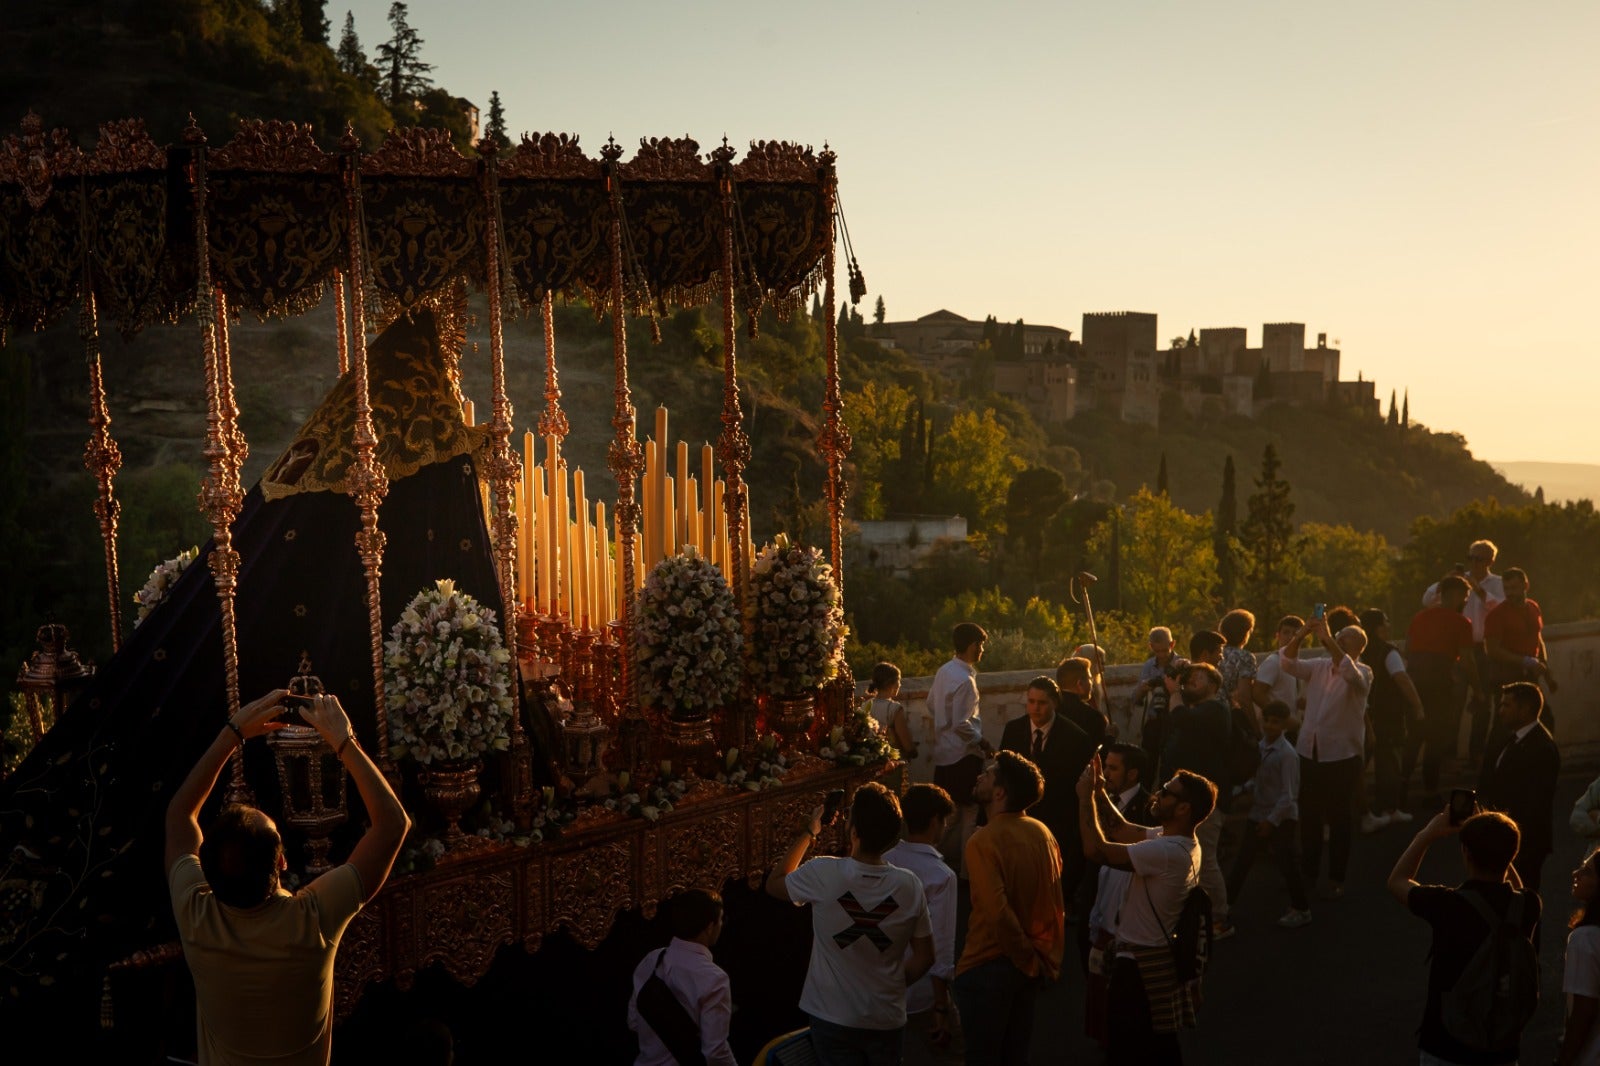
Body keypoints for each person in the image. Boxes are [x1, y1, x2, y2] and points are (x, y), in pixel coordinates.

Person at [165, 690, 410, 1066]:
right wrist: (343, 739)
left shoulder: (195, 912)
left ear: (206, 870)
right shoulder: (311, 920)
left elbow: (180, 813)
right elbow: (394, 824)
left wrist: (232, 732)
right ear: (282, 863)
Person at [766, 782, 934, 1064]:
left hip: (832, 1016)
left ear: (853, 832)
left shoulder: (824, 873)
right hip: (887, 1017)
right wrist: (888, 984)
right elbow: (926, 956)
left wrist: (809, 832)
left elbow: (774, 883)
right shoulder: (910, 885)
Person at [1077, 758, 1216, 1066]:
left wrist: (1084, 797)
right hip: (1152, 962)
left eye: (1167, 792)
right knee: (1158, 1047)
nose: (1158, 794)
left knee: (1129, 1049)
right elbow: (1122, 829)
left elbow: (1096, 850)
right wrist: (1100, 792)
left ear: (1183, 809)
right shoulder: (1179, 842)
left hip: (1138, 971)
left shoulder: (1166, 852)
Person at [1387, 810, 1539, 1066]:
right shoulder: (1528, 906)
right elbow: (1518, 889)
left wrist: (1428, 834)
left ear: (1466, 853)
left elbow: (1397, 880)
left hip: (1447, 1045)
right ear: (1512, 854)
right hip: (1502, 1046)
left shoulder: (1448, 904)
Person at [952, 751, 1064, 1066]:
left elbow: (998, 913)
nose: (979, 776)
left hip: (990, 964)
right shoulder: (1043, 833)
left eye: (987, 774)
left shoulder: (983, 841)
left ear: (1000, 792)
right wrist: (1041, 958)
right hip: (1031, 965)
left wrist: (1025, 958)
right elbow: (1054, 900)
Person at [1278, 618, 1373, 900]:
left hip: (1342, 756)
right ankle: (1309, 873)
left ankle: (1336, 877)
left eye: (1345, 638)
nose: (1338, 639)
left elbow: (1350, 674)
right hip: (1310, 752)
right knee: (1309, 818)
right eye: (1338, 636)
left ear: (1358, 647)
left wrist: (1330, 638)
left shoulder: (1364, 672)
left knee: (1340, 818)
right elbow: (1287, 663)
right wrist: (1303, 634)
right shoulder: (1318, 666)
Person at [1160, 661, 1232, 938]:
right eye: (1189, 678)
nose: (1190, 682)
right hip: (1188, 798)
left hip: (1206, 801)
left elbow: (1180, 718)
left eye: (1197, 678)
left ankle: (1220, 917)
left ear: (1213, 686)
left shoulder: (1215, 709)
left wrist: (1174, 690)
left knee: (1207, 858)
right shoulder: (1197, 710)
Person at [883, 785, 958, 1051]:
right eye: (944, 820)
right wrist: (941, 1004)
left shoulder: (884, 861)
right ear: (936, 820)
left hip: (877, 987)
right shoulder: (942, 875)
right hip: (918, 993)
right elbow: (941, 945)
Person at [1011, 670, 1096, 904]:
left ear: (1055, 703)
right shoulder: (1014, 730)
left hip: (1058, 817)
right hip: (1021, 816)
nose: (1035, 708)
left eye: (1041, 703)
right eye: (1031, 702)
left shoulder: (1076, 738)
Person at [627, 889, 736, 1066]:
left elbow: (633, 1022)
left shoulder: (651, 959)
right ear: (709, 927)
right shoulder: (715, 979)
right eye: (721, 919)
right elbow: (715, 1052)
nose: (722, 925)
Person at [1225, 701, 1310, 928]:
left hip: (1281, 818)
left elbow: (1289, 795)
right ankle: (1224, 905)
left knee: (1287, 864)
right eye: (1267, 721)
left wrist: (1271, 822)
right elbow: (1258, 780)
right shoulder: (1260, 747)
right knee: (1243, 861)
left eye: (1275, 722)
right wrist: (1240, 791)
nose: (1269, 726)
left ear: (1283, 725)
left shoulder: (1287, 755)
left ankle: (1302, 909)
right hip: (1259, 813)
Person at [1423, 539, 1506, 760]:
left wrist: (1478, 590)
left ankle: (1476, 753)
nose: (1474, 563)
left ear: (1490, 561)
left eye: (1479, 559)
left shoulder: (1497, 583)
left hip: (1485, 649)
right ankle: (1449, 754)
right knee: (1455, 702)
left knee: (1483, 703)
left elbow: (1501, 608)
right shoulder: (1456, 584)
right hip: (1458, 649)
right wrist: (1446, 581)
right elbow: (1427, 600)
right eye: (1471, 558)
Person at [1479, 681, 1561, 896]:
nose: (1501, 711)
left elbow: (1534, 804)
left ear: (1525, 709)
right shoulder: (1508, 738)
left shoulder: (1542, 748)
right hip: (1502, 837)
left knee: (1524, 901)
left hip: (1525, 844)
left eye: (1507, 705)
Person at [929, 622, 993, 874]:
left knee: (948, 815)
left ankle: (933, 863)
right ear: (972, 645)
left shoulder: (944, 671)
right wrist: (982, 742)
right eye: (981, 645)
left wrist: (941, 727)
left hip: (943, 753)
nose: (982, 650)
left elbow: (932, 704)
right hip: (963, 755)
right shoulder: (966, 681)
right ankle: (969, 873)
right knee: (969, 814)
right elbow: (961, 723)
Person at [1407, 576, 1479, 798]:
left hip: (1415, 680)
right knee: (1435, 738)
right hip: (1440, 682)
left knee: (1415, 735)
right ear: (1456, 595)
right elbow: (1467, 660)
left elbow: (1409, 648)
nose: (1466, 601)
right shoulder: (1461, 622)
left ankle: (1401, 787)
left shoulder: (1420, 617)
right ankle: (1430, 791)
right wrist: (1478, 688)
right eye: (1465, 597)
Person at [1359, 607, 1427, 833]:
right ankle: (1389, 808)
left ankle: (1362, 811)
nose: (1389, 625)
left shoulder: (1361, 651)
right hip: (1388, 716)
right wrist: (1418, 706)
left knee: (1359, 766)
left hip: (1364, 714)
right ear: (1379, 628)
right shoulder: (1389, 652)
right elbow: (1402, 679)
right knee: (1389, 762)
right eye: (1386, 622)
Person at [1484, 568, 1552, 708]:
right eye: (1506, 588)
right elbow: (1492, 650)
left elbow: (1538, 638)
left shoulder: (1533, 607)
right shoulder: (1497, 615)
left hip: (1529, 675)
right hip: (1506, 676)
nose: (1509, 593)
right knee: (1505, 723)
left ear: (1525, 586)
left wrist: (1545, 670)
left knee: (1541, 719)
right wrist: (1524, 661)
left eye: (1514, 588)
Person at [1560, 848, 1600, 1066]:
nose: (1576, 873)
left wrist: (1564, 1059)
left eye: (1587, 871)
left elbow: (1583, 1011)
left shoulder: (1584, 939)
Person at [1129, 626, 1181, 757]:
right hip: (1155, 719)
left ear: (1172, 644)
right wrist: (1143, 688)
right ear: (1151, 647)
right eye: (1157, 651)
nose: (1162, 655)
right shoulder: (1148, 665)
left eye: (1165, 650)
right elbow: (1135, 699)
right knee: (1148, 759)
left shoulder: (1180, 664)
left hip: (1174, 719)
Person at [1251, 615, 1305, 724]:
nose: (1290, 637)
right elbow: (1257, 694)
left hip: (1291, 729)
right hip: (1275, 731)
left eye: (1295, 634)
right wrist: (1282, 719)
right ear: (1278, 636)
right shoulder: (1273, 662)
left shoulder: (1297, 665)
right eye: (1286, 632)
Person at [865, 661, 918, 759]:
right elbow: (906, 742)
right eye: (899, 681)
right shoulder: (894, 708)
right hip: (890, 762)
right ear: (891, 684)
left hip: (870, 760)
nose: (900, 685)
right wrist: (913, 751)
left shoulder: (865, 705)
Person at [1056, 654, 1110, 745]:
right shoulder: (1094, 717)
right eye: (1089, 678)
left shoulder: (1049, 709)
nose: (1091, 683)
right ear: (1080, 684)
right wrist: (1110, 737)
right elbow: (1101, 754)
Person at [1216, 609, 1258, 713]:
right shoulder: (1245, 657)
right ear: (1246, 632)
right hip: (1227, 713)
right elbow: (1244, 697)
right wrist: (1254, 726)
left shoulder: (1214, 652)